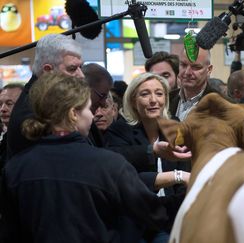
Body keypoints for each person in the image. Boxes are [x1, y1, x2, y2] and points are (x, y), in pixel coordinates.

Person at [1, 73, 179, 243]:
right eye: (88, 108)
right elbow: (154, 214)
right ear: (73, 114)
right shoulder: (108, 164)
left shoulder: (15, 168)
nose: (93, 115)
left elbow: (11, 233)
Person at [104, 72, 190, 242]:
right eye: (145, 94)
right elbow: (125, 177)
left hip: (169, 216)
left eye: (159, 93)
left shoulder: (175, 127)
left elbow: (185, 174)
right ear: (133, 101)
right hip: (135, 219)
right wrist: (154, 152)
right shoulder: (119, 130)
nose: (153, 100)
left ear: (165, 99)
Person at [7, 34, 84, 158]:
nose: (81, 75)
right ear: (48, 70)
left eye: (81, 67)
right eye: (72, 69)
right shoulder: (33, 113)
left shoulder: (45, 101)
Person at [169, 47, 219, 121]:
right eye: (183, 65)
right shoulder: (167, 99)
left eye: (196, 67)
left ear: (209, 70)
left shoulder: (221, 105)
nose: (187, 72)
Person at [0, 83, 23, 174]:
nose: (3, 109)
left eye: (9, 104)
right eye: (0, 104)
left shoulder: (28, 139)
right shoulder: (6, 137)